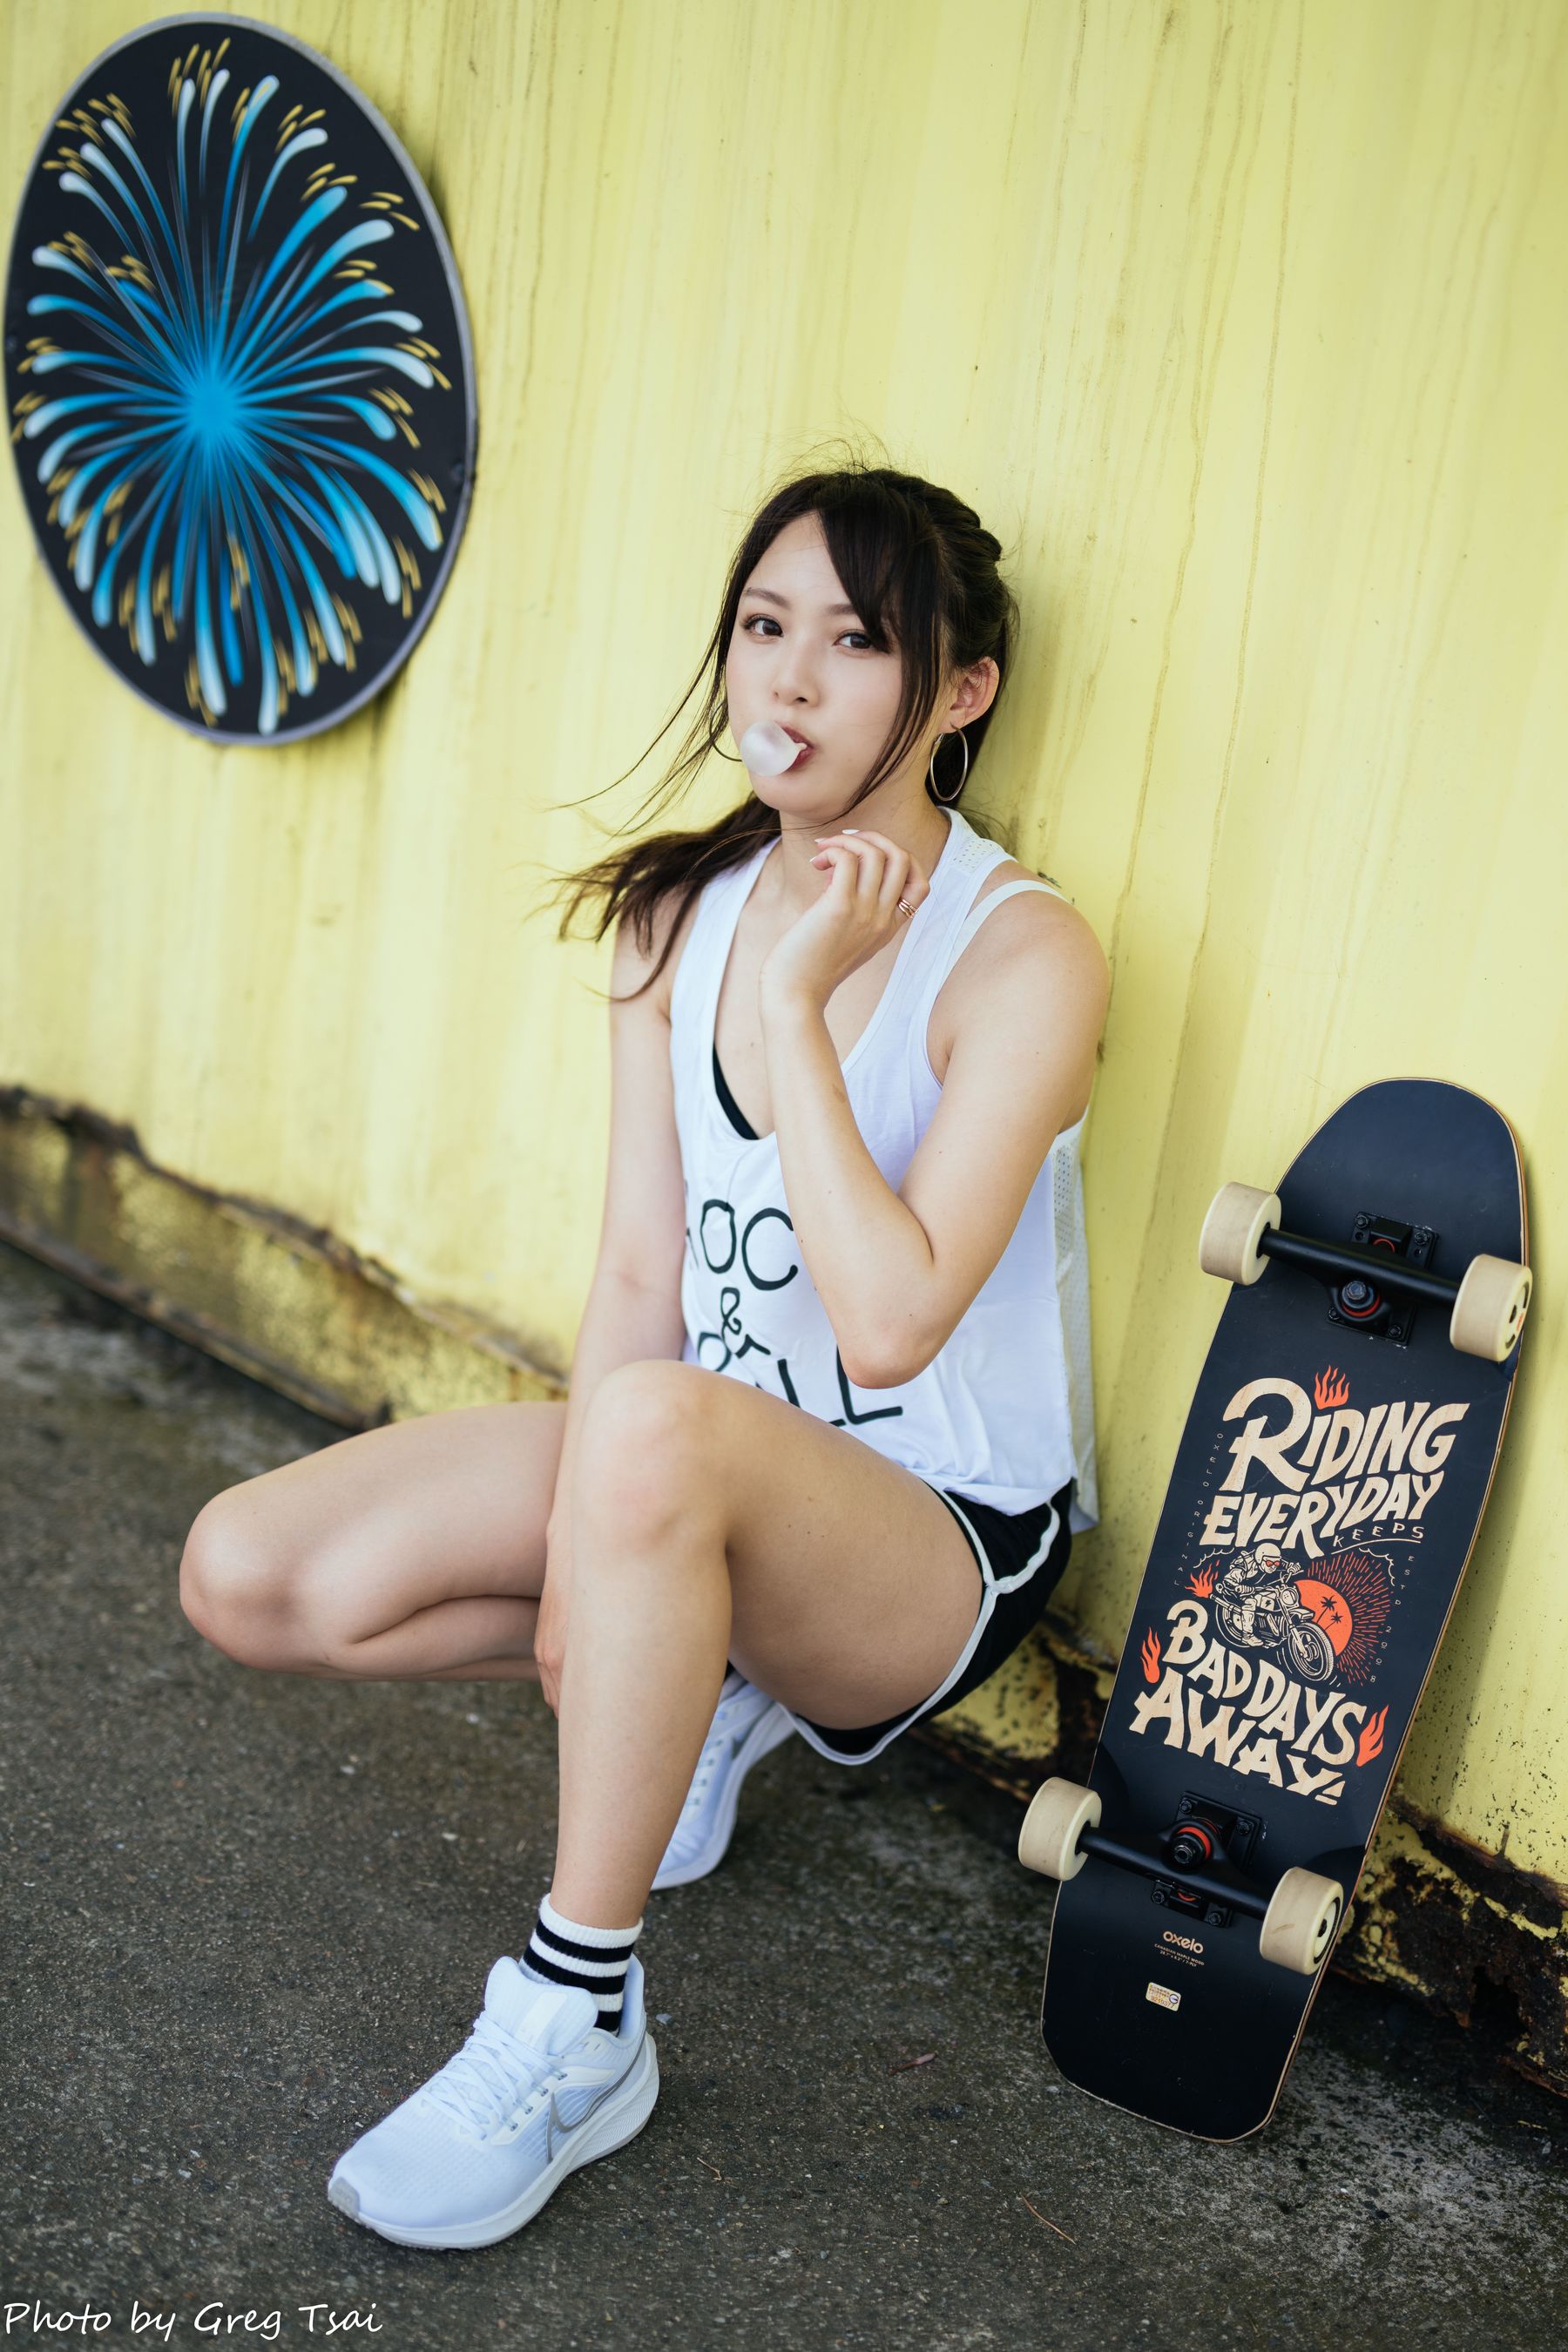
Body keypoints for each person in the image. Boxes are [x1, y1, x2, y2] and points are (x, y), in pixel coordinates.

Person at [178, 456, 1112, 2251]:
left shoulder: (1025, 956)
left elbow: (893, 1319)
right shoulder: (675, 916)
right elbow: (635, 1273)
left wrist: (797, 1006)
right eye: (764, 626)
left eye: (857, 641)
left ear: (962, 693)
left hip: (932, 1536)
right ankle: (683, 1654)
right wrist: (580, 1574)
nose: (790, 679)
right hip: (684, 1458)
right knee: (250, 1573)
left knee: (665, 1429)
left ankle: (575, 2020)